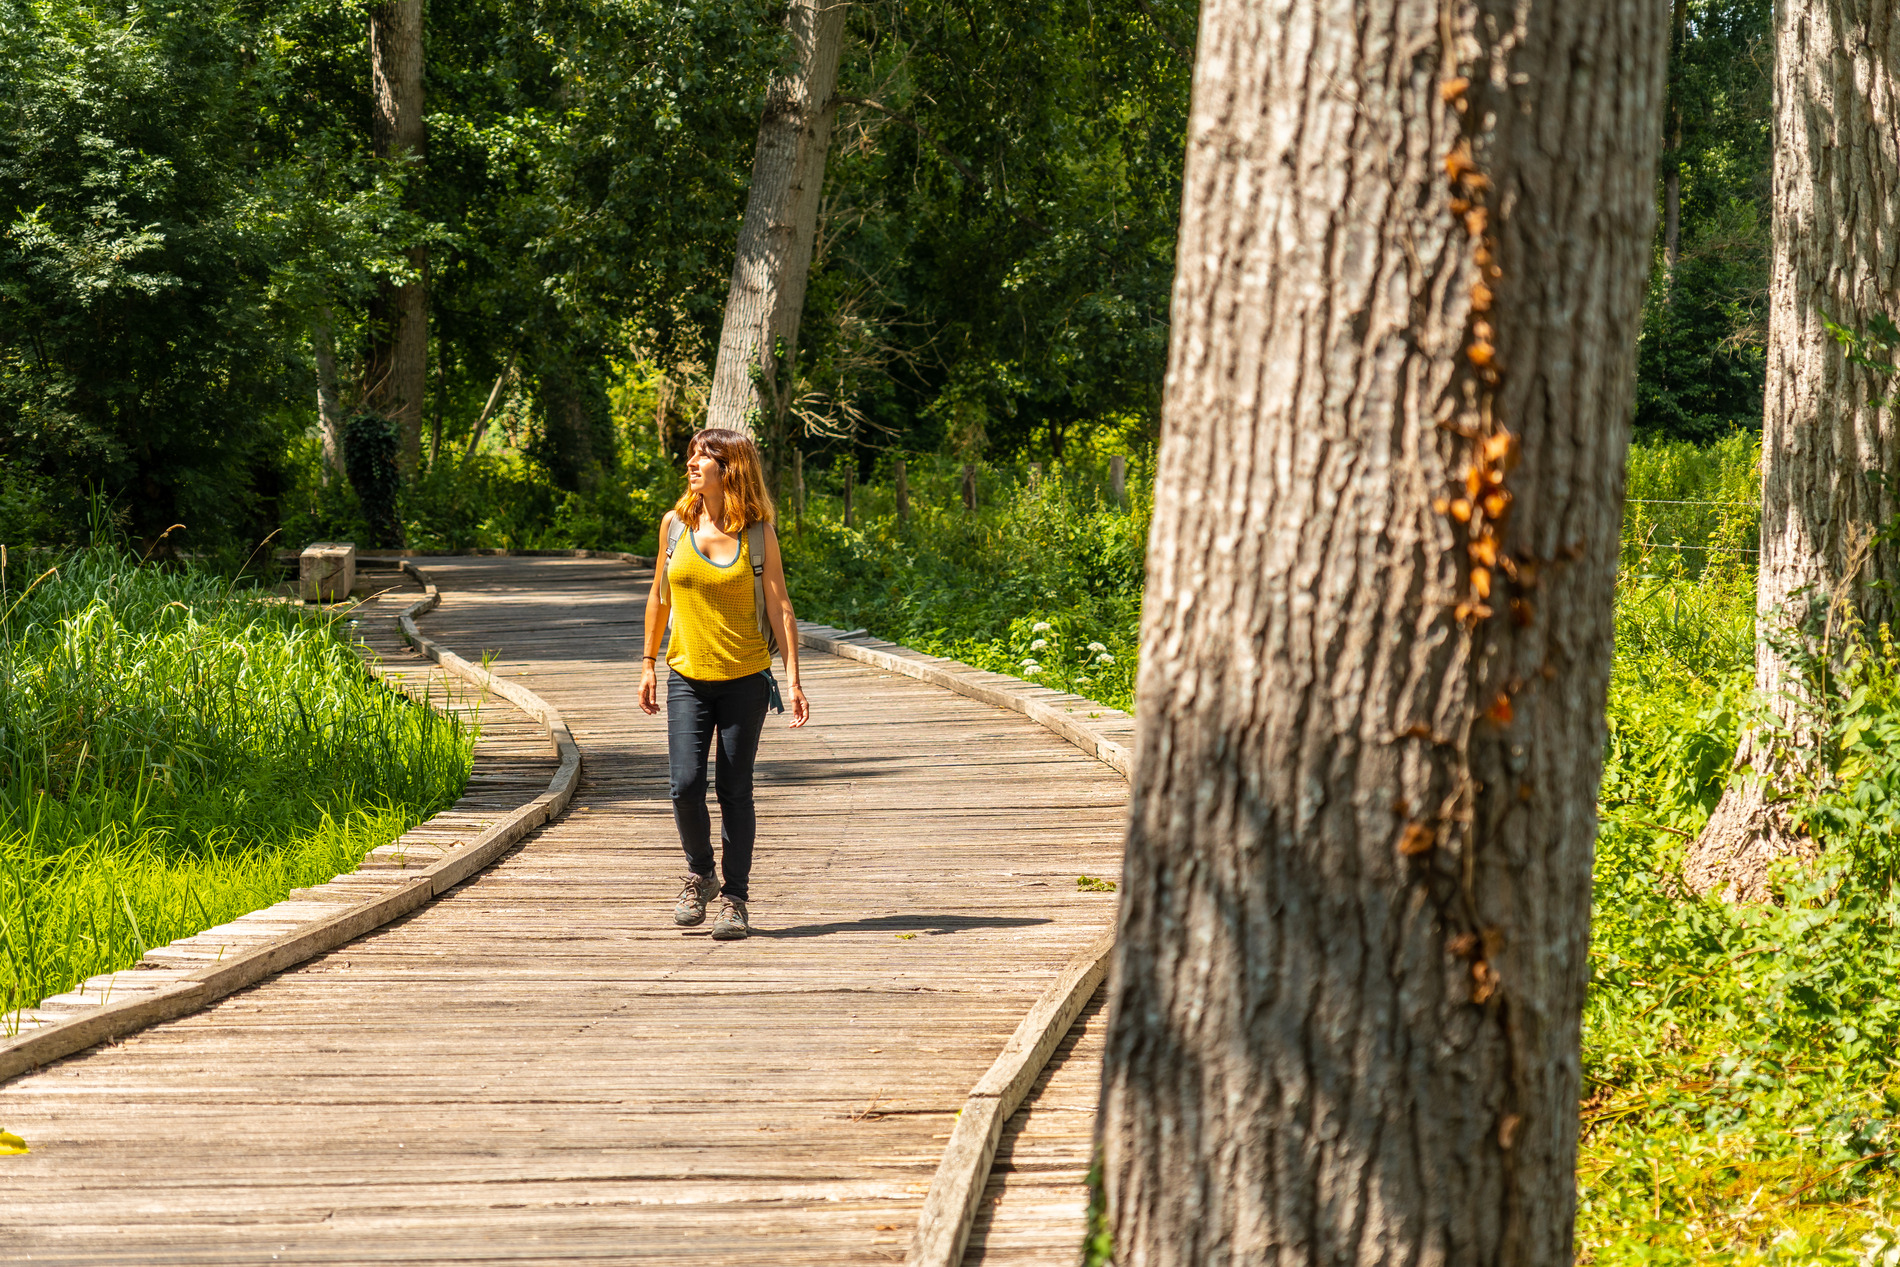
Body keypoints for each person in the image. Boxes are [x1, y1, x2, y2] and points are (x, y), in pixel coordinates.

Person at [639, 427, 810, 941]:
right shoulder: (674, 526)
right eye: (691, 455)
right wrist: (647, 663)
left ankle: (735, 898)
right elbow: (659, 599)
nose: (691, 463)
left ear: (729, 468)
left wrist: (794, 680)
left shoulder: (758, 533)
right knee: (684, 786)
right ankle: (701, 874)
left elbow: (780, 607)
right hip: (686, 677)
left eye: (703, 457)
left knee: (735, 790)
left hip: (745, 680)